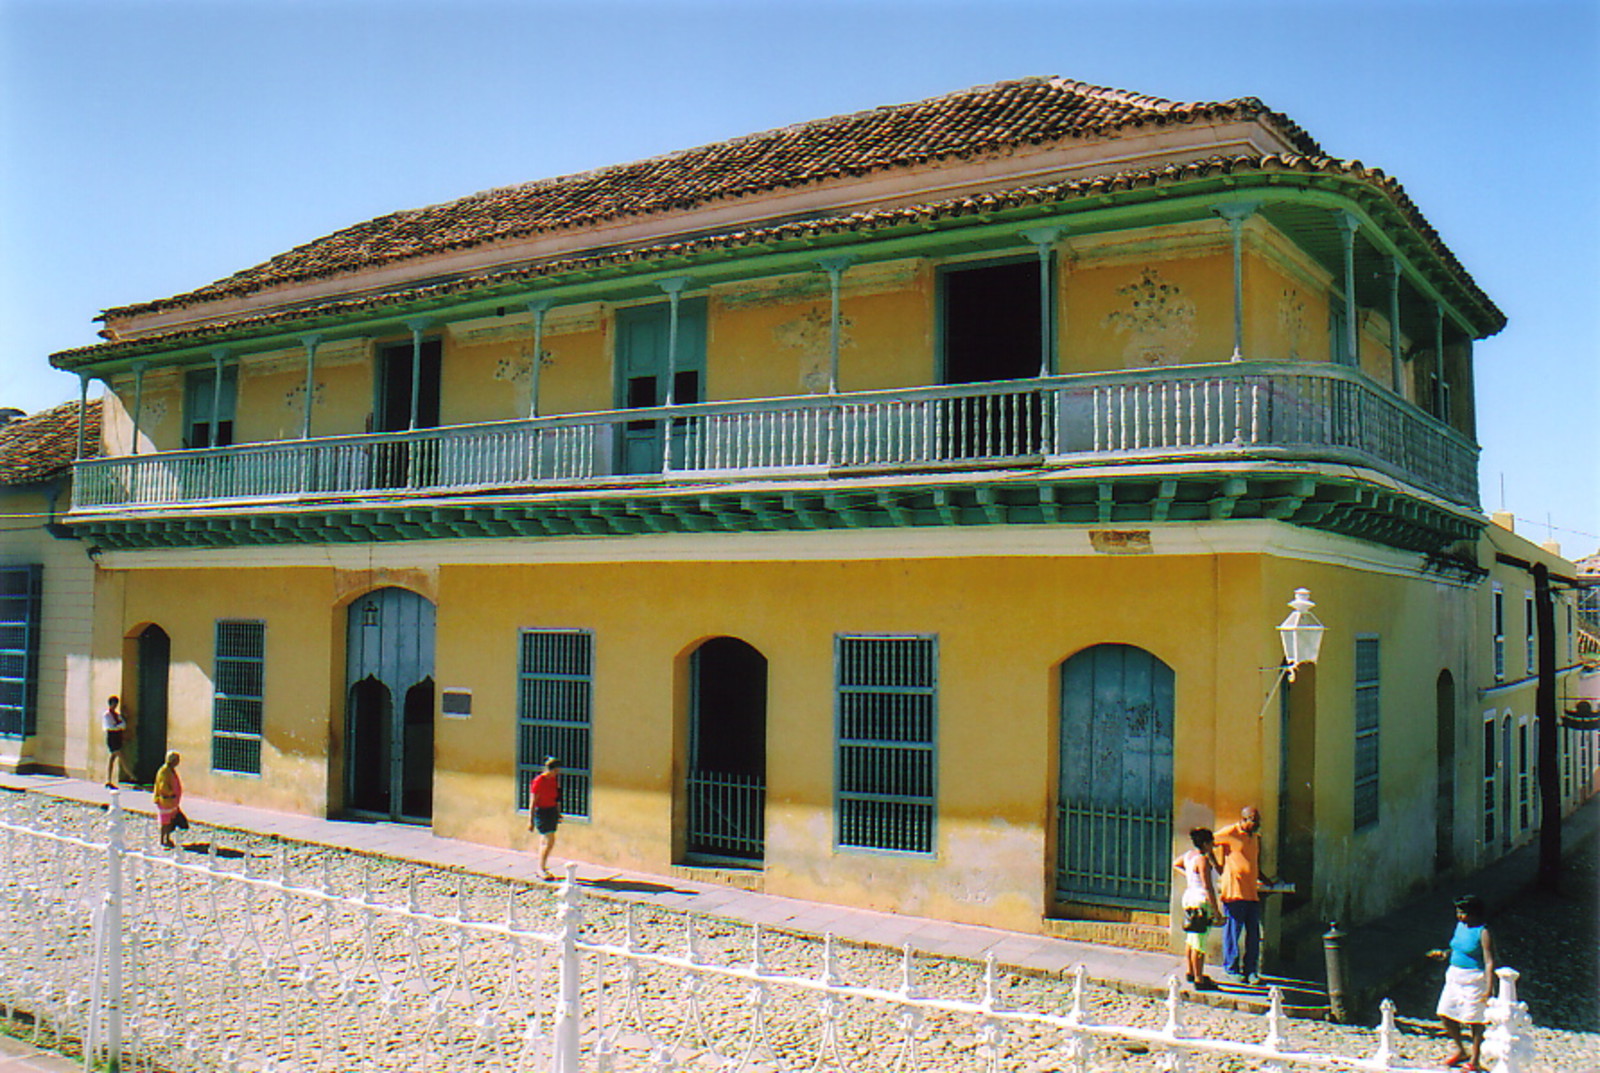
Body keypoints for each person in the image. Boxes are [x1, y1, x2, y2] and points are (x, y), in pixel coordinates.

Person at [1429, 895, 1496, 1071]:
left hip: (1474, 979)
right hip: (1454, 975)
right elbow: (1457, 947)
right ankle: (1461, 1049)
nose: (1459, 916)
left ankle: (1474, 1059)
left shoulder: (1483, 932)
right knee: (1444, 1012)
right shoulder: (1460, 927)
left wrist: (1489, 988)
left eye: (1463, 913)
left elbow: (1489, 961)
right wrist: (1444, 954)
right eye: (1458, 912)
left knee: (1474, 1020)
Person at [1214, 805, 1272, 984]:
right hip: (1234, 891)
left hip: (1251, 892)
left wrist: (1265, 879)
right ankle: (1231, 967)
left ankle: (1251, 970)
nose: (1257, 824)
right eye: (1253, 820)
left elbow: (1252, 862)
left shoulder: (1255, 838)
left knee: (1253, 933)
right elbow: (1208, 843)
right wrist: (1219, 867)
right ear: (1244, 819)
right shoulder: (1231, 832)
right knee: (1233, 932)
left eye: (1258, 820)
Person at [1173, 827, 1223, 990]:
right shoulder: (1202, 860)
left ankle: (1190, 971)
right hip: (1201, 900)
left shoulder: (1189, 856)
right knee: (1199, 942)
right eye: (1211, 843)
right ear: (1206, 843)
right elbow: (1208, 886)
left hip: (1190, 897)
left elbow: (1176, 864)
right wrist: (1216, 911)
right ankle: (1199, 978)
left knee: (1191, 937)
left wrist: (1189, 876)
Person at [528, 756, 561, 881]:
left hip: (551, 810)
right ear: (550, 769)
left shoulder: (553, 780)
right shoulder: (539, 781)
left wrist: (558, 812)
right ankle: (541, 868)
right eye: (556, 771)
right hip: (542, 811)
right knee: (549, 840)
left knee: (545, 841)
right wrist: (530, 820)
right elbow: (533, 801)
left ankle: (542, 866)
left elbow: (556, 797)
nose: (557, 774)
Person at [153, 751, 183, 849]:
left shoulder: (170, 770)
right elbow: (163, 787)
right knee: (165, 821)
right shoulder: (164, 771)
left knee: (169, 821)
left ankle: (167, 838)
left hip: (171, 802)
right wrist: (171, 793)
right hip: (165, 801)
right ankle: (162, 839)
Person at [103, 696, 127, 789]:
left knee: (112, 758)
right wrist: (118, 726)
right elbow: (110, 726)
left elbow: (123, 725)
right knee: (120, 755)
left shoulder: (117, 715)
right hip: (112, 737)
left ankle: (108, 780)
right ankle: (131, 775)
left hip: (118, 737)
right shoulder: (107, 715)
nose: (115, 706)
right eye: (114, 704)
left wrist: (118, 725)